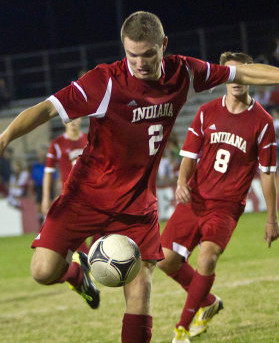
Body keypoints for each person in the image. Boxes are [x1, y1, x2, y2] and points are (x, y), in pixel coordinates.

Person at [1, 12, 279, 343]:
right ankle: (77, 274)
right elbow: (45, 109)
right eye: (132, 55)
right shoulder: (103, 81)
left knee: (139, 288)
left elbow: (241, 71)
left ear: (163, 46)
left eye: (148, 54)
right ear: (124, 49)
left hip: (136, 202)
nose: (140, 63)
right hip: (86, 195)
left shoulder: (183, 72)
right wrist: (4, 138)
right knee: (43, 271)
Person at [158, 52, 279, 343]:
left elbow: (267, 173)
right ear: (222, 77)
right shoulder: (207, 112)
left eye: (242, 74)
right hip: (196, 199)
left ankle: (183, 328)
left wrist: (272, 218)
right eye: (230, 74)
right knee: (165, 260)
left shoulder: (263, 122)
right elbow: (189, 155)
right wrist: (181, 182)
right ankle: (208, 301)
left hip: (226, 207)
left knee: (208, 258)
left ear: (250, 77)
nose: (236, 80)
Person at [41, 118, 90, 253]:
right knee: (71, 231)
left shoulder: (89, 140)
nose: (73, 121)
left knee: (101, 227)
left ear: (81, 119)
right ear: (63, 121)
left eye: (76, 117)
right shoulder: (57, 143)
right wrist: (46, 197)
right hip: (70, 195)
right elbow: (48, 172)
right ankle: (85, 261)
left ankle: (93, 258)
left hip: (91, 193)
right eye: (70, 118)